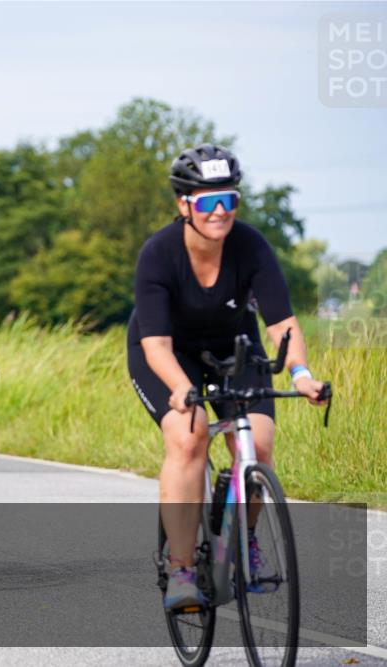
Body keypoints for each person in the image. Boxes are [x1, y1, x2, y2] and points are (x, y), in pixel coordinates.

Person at [127, 145, 327, 609]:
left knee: (257, 442)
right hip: (167, 352)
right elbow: (156, 345)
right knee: (188, 436)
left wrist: (300, 373)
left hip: (234, 347)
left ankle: (245, 539)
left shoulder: (251, 246)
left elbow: (282, 324)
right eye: (206, 202)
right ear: (184, 205)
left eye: (228, 200)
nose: (219, 213)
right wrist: (180, 388)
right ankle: (180, 570)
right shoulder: (159, 253)